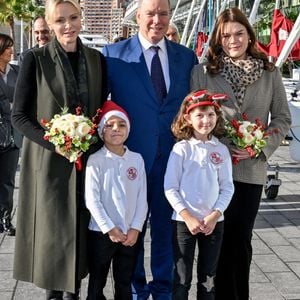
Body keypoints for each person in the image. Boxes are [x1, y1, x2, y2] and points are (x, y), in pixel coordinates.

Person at [190, 7, 291, 300]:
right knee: (213, 244)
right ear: (218, 40)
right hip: (211, 173)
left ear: (249, 35)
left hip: (250, 173)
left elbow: (283, 119)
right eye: (226, 35)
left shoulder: (270, 73)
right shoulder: (203, 73)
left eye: (239, 33)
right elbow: (191, 120)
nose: (233, 40)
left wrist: (260, 146)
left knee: (240, 242)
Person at [102, 0, 198, 298]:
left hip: (173, 159)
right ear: (138, 17)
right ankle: (135, 290)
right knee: (132, 229)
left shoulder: (186, 57)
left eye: (163, 14)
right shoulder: (113, 56)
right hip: (130, 159)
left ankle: (163, 289)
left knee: (166, 230)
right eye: (151, 14)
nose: (157, 20)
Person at [11, 0, 107, 298]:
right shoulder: (35, 59)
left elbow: (100, 111)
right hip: (49, 166)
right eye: (61, 20)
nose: (69, 26)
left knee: (81, 240)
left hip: (87, 163)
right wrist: (56, 143)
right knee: (53, 248)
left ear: (81, 19)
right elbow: (19, 116)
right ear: (50, 25)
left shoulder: (95, 59)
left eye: (74, 18)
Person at [164, 90, 234, 300]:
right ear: (188, 118)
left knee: (208, 278)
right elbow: (170, 187)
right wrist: (187, 216)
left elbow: (227, 187)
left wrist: (215, 215)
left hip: (214, 223)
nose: (206, 120)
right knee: (182, 278)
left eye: (211, 114)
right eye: (200, 115)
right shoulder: (181, 149)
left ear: (217, 116)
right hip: (184, 224)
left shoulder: (221, 150)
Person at [85, 100, 148, 300]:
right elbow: (92, 200)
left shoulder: (136, 159)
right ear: (101, 132)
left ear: (128, 130)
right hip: (102, 233)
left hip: (129, 233)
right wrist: (109, 228)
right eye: (109, 125)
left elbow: (142, 198)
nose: (116, 129)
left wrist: (136, 228)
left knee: (124, 281)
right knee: (97, 281)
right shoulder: (95, 161)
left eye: (121, 125)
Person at [0, 33, 21, 236]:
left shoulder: (16, 71)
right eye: (7, 47)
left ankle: (6, 219)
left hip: (13, 135)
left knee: (8, 181)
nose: (11, 50)